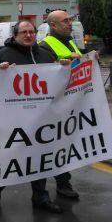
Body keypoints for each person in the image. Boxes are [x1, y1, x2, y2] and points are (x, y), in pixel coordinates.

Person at [0, 21, 72, 213]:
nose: (28, 35)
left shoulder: (44, 54)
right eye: (23, 32)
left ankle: (40, 196)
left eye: (31, 32)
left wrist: (63, 66)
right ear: (15, 35)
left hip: (41, 118)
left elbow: (56, 79)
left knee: (39, 156)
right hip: (14, 119)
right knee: (14, 160)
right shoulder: (4, 54)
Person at [35, 10, 82, 200]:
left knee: (63, 147)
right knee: (48, 149)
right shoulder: (45, 46)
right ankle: (54, 186)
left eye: (70, 20)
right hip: (53, 107)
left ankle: (63, 183)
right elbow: (46, 75)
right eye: (65, 21)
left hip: (69, 103)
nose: (70, 24)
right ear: (53, 25)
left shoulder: (69, 41)